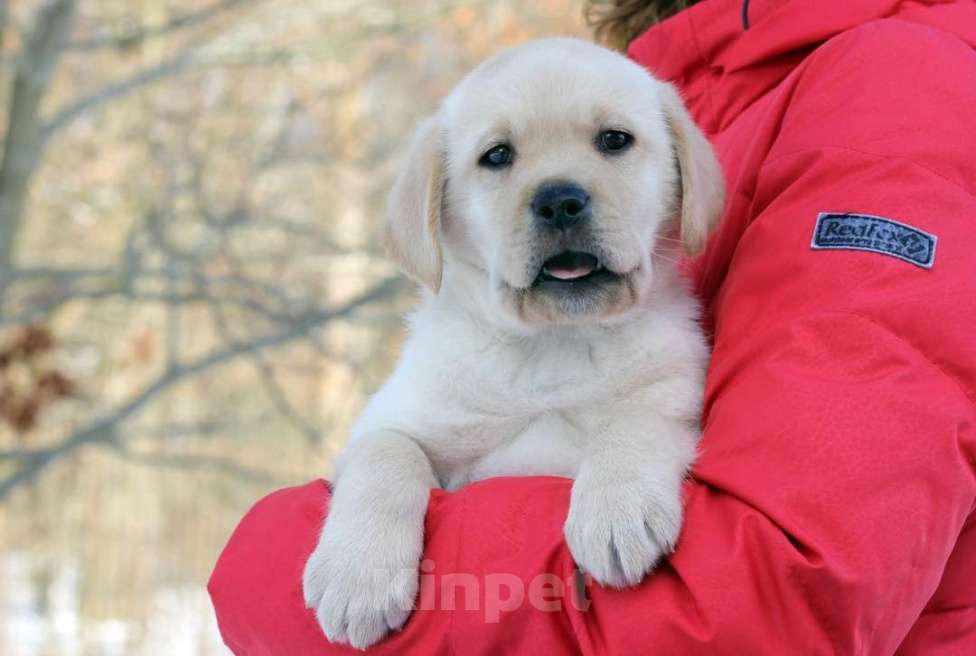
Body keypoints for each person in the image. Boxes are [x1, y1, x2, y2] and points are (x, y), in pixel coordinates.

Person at [208, 1, 976, 653]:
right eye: (499, 157)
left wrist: (269, 575)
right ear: (433, 213)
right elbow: (394, 439)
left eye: (612, 144)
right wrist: (380, 494)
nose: (560, 195)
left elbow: (779, 584)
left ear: (688, 183)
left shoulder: (889, 87)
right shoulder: (709, 83)